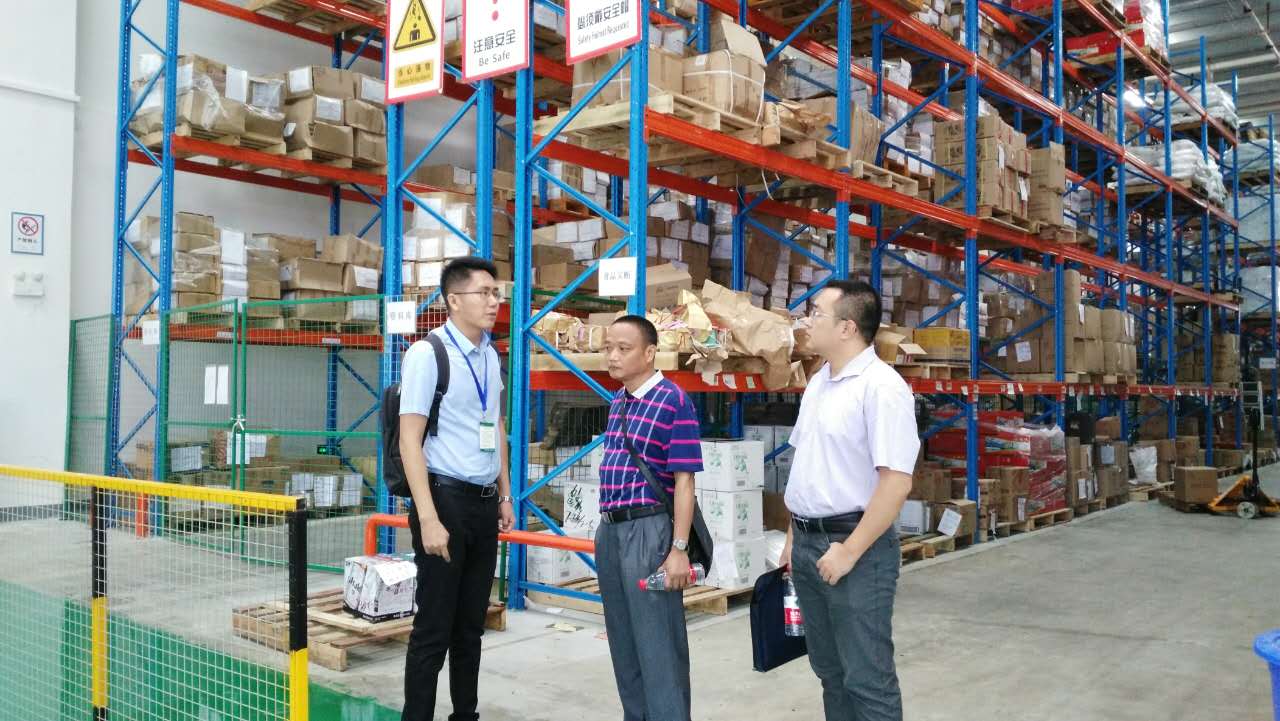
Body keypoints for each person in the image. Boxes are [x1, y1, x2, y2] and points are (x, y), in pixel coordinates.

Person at [778, 280, 920, 721]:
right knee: (830, 672)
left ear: (847, 328)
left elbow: (896, 483)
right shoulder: (820, 381)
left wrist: (850, 551)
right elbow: (808, 465)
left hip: (855, 548)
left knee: (867, 678)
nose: (806, 321)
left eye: (816, 313)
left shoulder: (882, 388)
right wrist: (792, 537)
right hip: (809, 545)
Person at [398, 257, 515, 721]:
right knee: (433, 629)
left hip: (484, 505)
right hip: (443, 501)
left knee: (471, 627)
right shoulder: (427, 354)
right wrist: (428, 518)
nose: (493, 301)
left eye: (496, 293)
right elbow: (410, 440)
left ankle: (465, 714)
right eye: (483, 293)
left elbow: (496, 425)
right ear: (453, 300)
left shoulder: (490, 353)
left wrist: (505, 494)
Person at [595, 315, 704, 721]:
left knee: (658, 645)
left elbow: (685, 482)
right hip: (611, 530)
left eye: (623, 349)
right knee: (623, 642)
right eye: (609, 347)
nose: (612, 356)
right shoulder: (619, 401)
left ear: (650, 353)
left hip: (649, 532)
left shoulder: (674, 401)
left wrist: (678, 549)